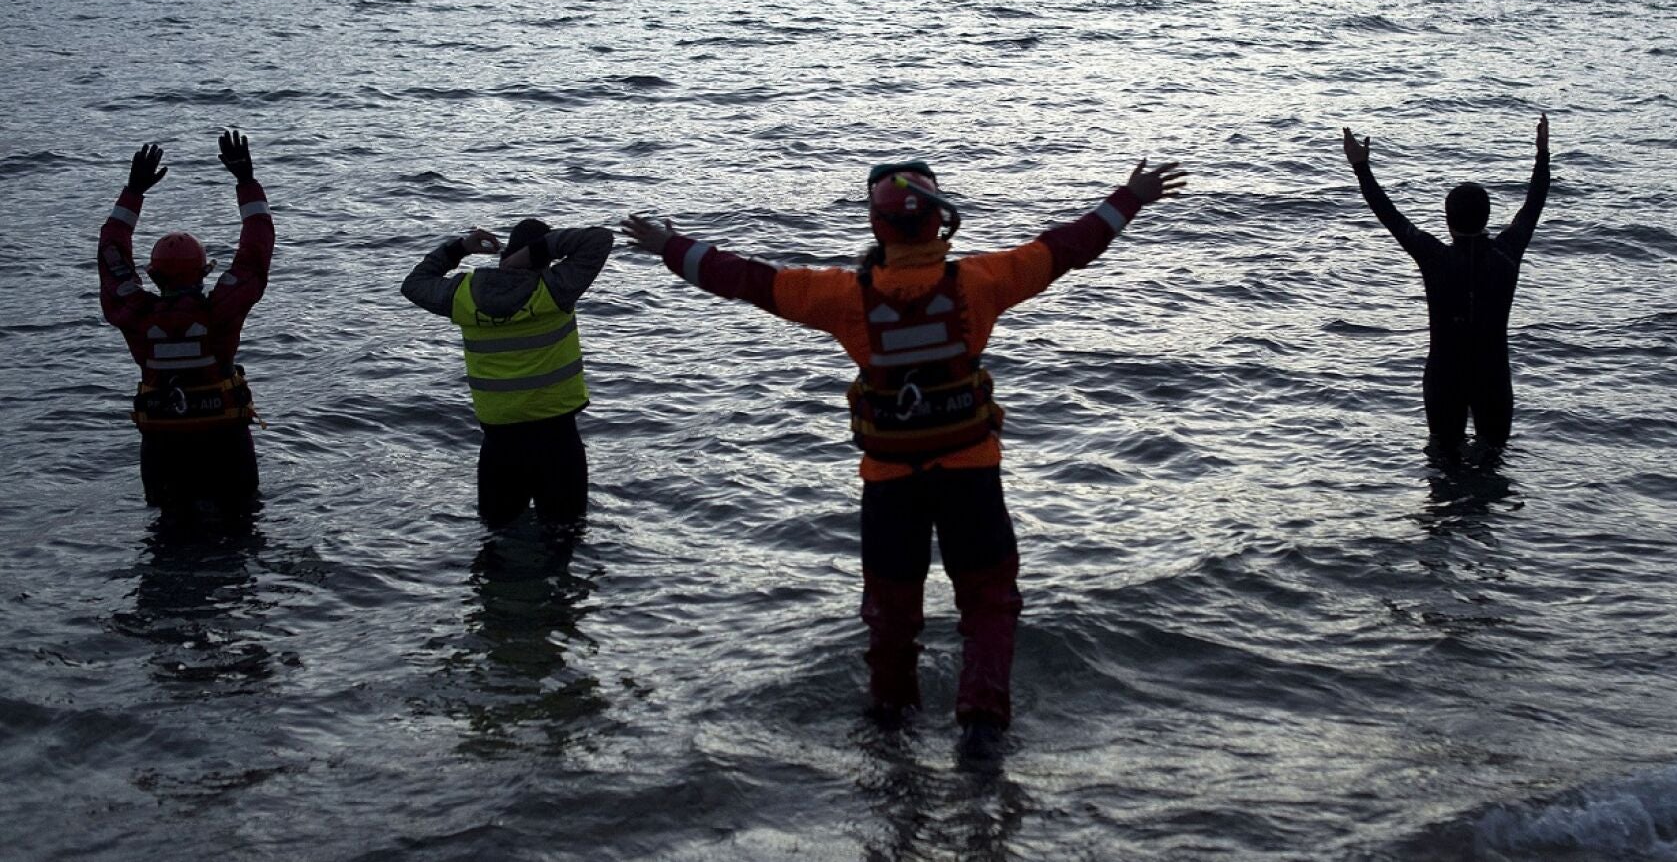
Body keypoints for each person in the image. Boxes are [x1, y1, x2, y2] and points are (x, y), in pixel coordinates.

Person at [621, 157, 1187, 740]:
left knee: (892, 616)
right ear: (941, 223)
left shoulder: (841, 298)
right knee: (988, 605)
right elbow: (1068, 247)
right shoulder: (981, 283)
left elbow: (747, 280)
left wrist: (669, 246)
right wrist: (1132, 196)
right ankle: (982, 724)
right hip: (971, 474)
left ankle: (890, 731)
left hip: (890, 482)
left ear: (876, 226)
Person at [1343, 113, 1552, 452]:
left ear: (1447, 219)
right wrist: (1542, 153)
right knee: (1493, 466)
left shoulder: (1434, 257)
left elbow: (1390, 216)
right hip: (1493, 378)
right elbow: (1534, 204)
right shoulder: (1507, 254)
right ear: (1487, 218)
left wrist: (1361, 167)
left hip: (1444, 378)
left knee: (1442, 470)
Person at [99, 130, 274, 513]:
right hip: (225, 442)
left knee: (166, 539)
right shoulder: (221, 311)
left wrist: (133, 191)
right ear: (203, 272)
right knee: (240, 536)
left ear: (155, 277)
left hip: (164, 448)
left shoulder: (135, 313)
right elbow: (255, 252)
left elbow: (111, 250)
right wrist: (246, 182)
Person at [402, 218, 614, 528]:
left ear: (505, 255)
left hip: (499, 448)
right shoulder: (554, 290)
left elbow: (414, 284)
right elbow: (599, 239)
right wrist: (537, 251)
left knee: (496, 543)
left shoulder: (463, 295)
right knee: (563, 539)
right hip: (558, 444)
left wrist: (460, 248)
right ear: (543, 260)